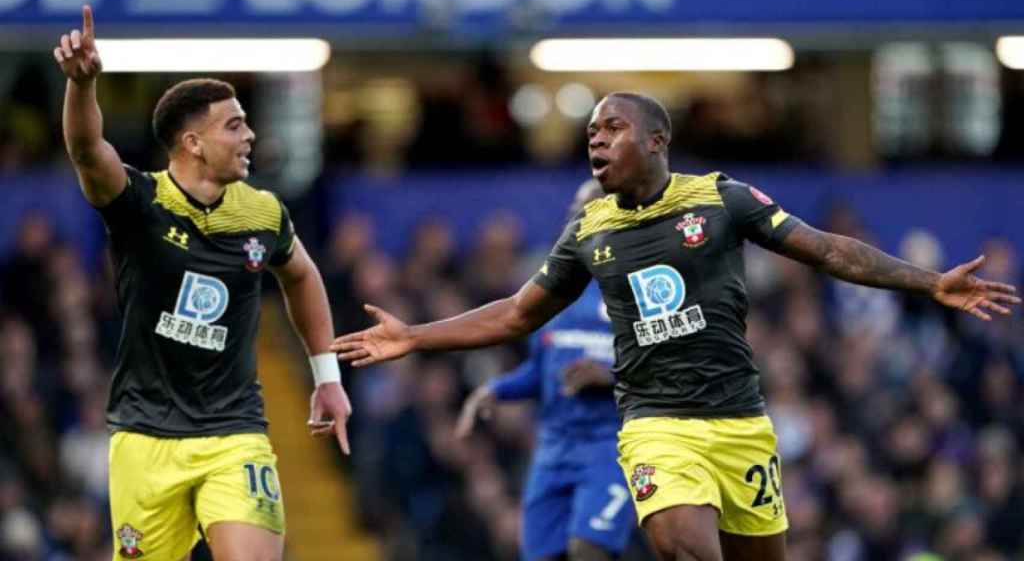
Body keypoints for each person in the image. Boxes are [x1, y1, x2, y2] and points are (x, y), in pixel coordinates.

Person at [333, 90, 1019, 561]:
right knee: (681, 546)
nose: (595, 141)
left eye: (611, 129)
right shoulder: (588, 230)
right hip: (655, 424)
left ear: (657, 140)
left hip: (740, 424)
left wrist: (929, 282)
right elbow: (518, 312)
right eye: (590, 134)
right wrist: (416, 335)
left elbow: (828, 249)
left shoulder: (721, 200)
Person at [54, 6, 352, 561]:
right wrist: (83, 84)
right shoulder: (140, 203)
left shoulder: (262, 213)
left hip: (235, 433)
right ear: (192, 142)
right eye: (234, 124)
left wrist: (326, 376)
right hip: (144, 440)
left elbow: (303, 275)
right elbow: (86, 149)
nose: (251, 134)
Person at [456, 180, 636, 561]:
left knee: (589, 549)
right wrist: (497, 390)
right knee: (540, 554)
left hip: (611, 445)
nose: (576, 217)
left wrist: (611, 376)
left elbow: (673, 370)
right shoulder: (550, 292)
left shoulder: (641, 291)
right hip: (553, 447)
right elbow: (541, 369)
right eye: (574, 210)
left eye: (589, 210)